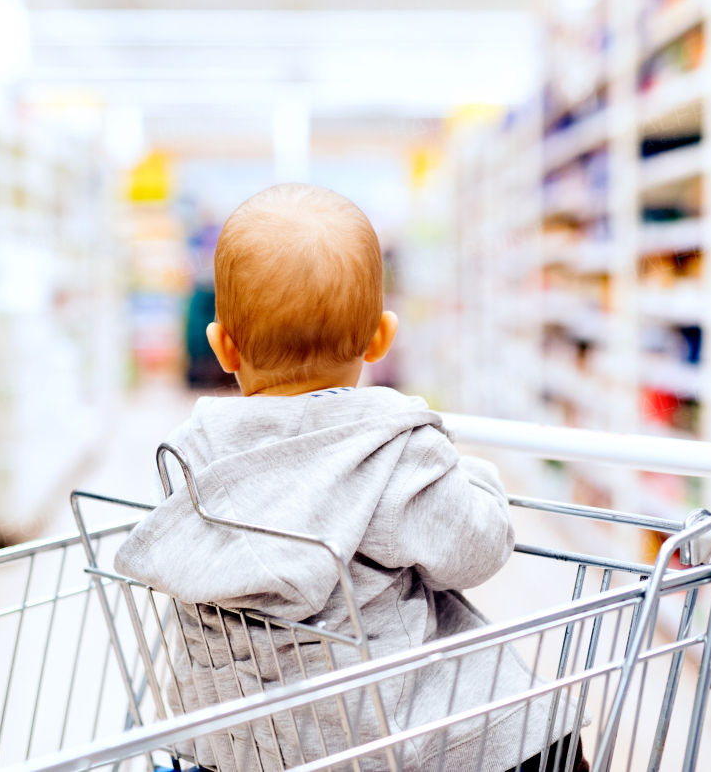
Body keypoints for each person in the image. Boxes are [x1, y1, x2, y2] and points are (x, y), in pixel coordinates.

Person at [114, 183, 586, 772]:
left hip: (247, 744)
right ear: (381, 337)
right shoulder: (392, 453)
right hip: (386, 739)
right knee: (544, 738)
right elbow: (475, 551)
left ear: (224, 348)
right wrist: (479, 480)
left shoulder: (194, 456)